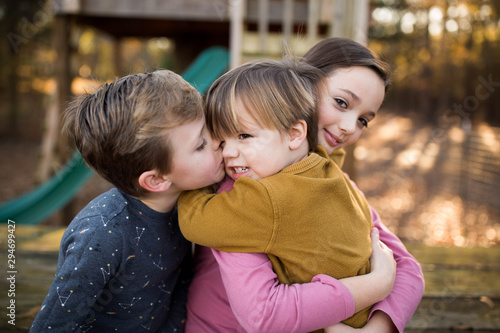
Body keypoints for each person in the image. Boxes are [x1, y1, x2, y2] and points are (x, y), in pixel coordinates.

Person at [184, 38, 424, 333]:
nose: (350, 126)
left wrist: (378, 328)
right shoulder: (244, 184)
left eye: (363, 120)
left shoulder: (329, 179)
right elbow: (265, 314)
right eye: (341, 103)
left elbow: (407, 268)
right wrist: (374, 284)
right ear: (301, 90)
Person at [30, 70, 226, 332]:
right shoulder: (102, 233)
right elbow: (53, 325)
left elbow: (180, 283)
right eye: (201, 143)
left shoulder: (186, 204)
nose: (218, 140)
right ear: (156, 181)